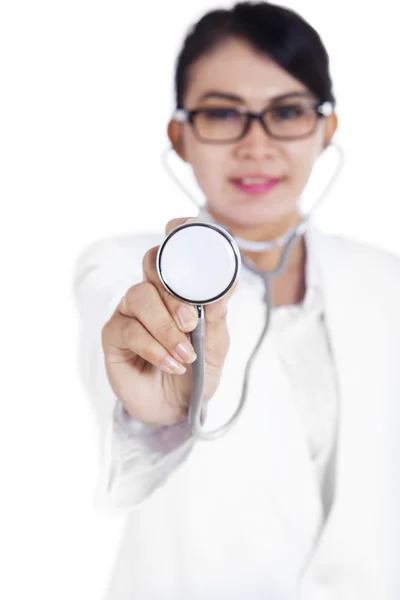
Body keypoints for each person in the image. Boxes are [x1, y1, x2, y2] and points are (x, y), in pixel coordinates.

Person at [73, 2, 400, 598]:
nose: (256, 144)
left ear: (327, 130)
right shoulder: (123, 268)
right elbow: (117, 352)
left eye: (288, 112)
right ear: (181, 135)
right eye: (223, 114)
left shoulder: (386, 282)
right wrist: (158, 407)